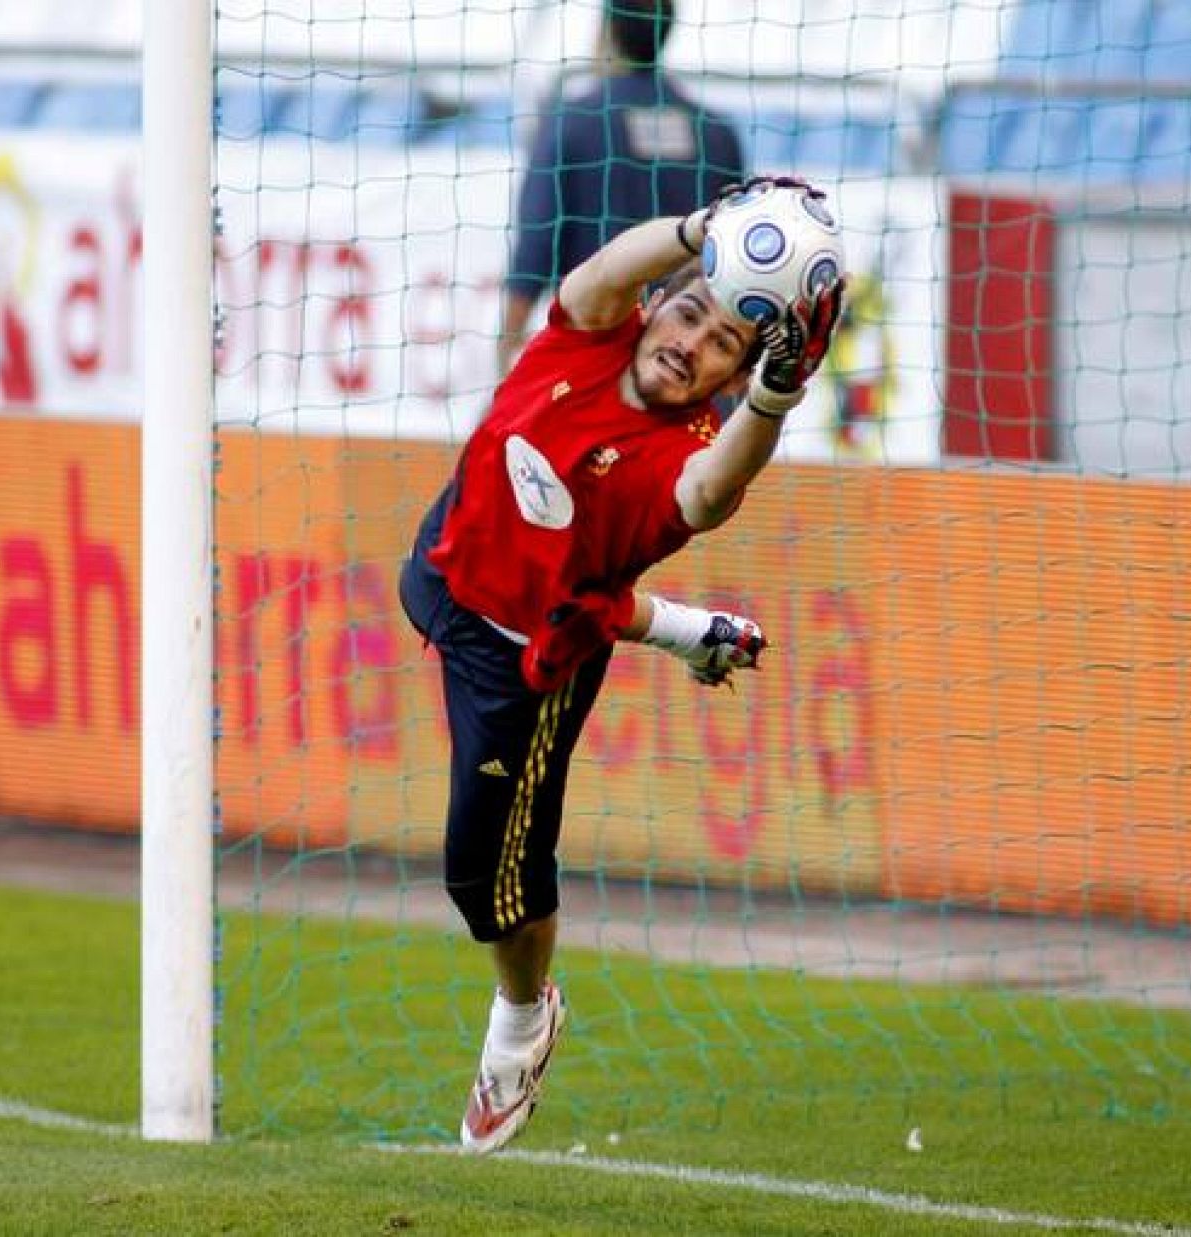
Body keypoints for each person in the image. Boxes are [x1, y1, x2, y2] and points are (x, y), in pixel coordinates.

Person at [400, 176, 843, 1155]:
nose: (689, 341)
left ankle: (524, 1014)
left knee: (482, 881)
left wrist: (773, 394)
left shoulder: (678, 450)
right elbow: (603, 273)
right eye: (687, 312)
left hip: (525, 667)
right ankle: (696, 633)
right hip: (447, 574)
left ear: (726, 379)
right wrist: (701, 229)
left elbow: (714, 486)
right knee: (540, 583)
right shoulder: (592, 332)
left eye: (721, 344)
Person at [497, 0, 746, 375]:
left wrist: (506, 352)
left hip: (595, 359)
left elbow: (535, 250)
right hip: (684, 366)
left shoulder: (573, 121)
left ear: (608, 29)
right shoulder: (717, 133)